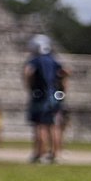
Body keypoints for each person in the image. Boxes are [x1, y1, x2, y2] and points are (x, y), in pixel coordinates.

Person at [23, 34, 66, 164]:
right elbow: (66, 71)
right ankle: (56, 153)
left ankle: (39, 153)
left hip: (40, 96)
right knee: (54, 125)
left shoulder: (35, 60)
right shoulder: (53, 60)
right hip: (54, 96)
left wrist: (29, 85)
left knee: (40, 125)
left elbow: (27, 72)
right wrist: (62, 88)